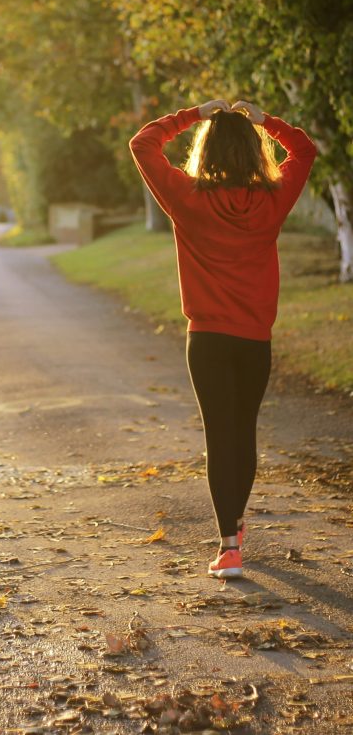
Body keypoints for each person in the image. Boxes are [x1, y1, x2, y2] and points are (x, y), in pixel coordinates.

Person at [128, 98, 317, 579]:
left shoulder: (187, 197)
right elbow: (305, 149)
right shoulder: (273, 199)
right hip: (255, 339)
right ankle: (233, 526)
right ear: (254, 153)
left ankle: (229, 545)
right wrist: (266, 121)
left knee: (220, 435)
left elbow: (143, 143)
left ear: (206, 151)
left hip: (207, 339)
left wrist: (194, 114)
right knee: (244, 431)